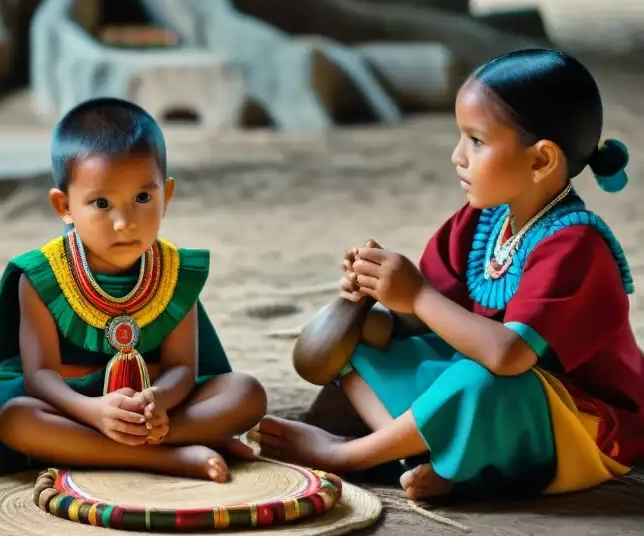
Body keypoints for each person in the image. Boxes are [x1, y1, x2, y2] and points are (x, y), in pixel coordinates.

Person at [255, 48, 644, 501]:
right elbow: (423, 324)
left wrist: (416, 294)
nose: (458, 156)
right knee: (369, 344)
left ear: (540, 161)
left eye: (476, 141)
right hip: (485, 385)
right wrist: (370, 305)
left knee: (480, 383)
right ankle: (432, 453)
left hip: (573, 416)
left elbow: (508, 357)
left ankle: (353, 454)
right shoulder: (481, 222)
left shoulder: (576, 245)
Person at [0, 97, 267, 482]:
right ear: (63, 206)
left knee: (246, 393)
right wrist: (96, 412)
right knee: (15, 419)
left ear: (167, 195)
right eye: (101, 203)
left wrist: (159, 400)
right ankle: (166, 457)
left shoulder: (175, 273)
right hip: (73, 404)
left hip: (159, 404)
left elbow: (183, 367)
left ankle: (137, 442)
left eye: (143, 198)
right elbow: (41, 376)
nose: (124, 222)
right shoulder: (42, 275)